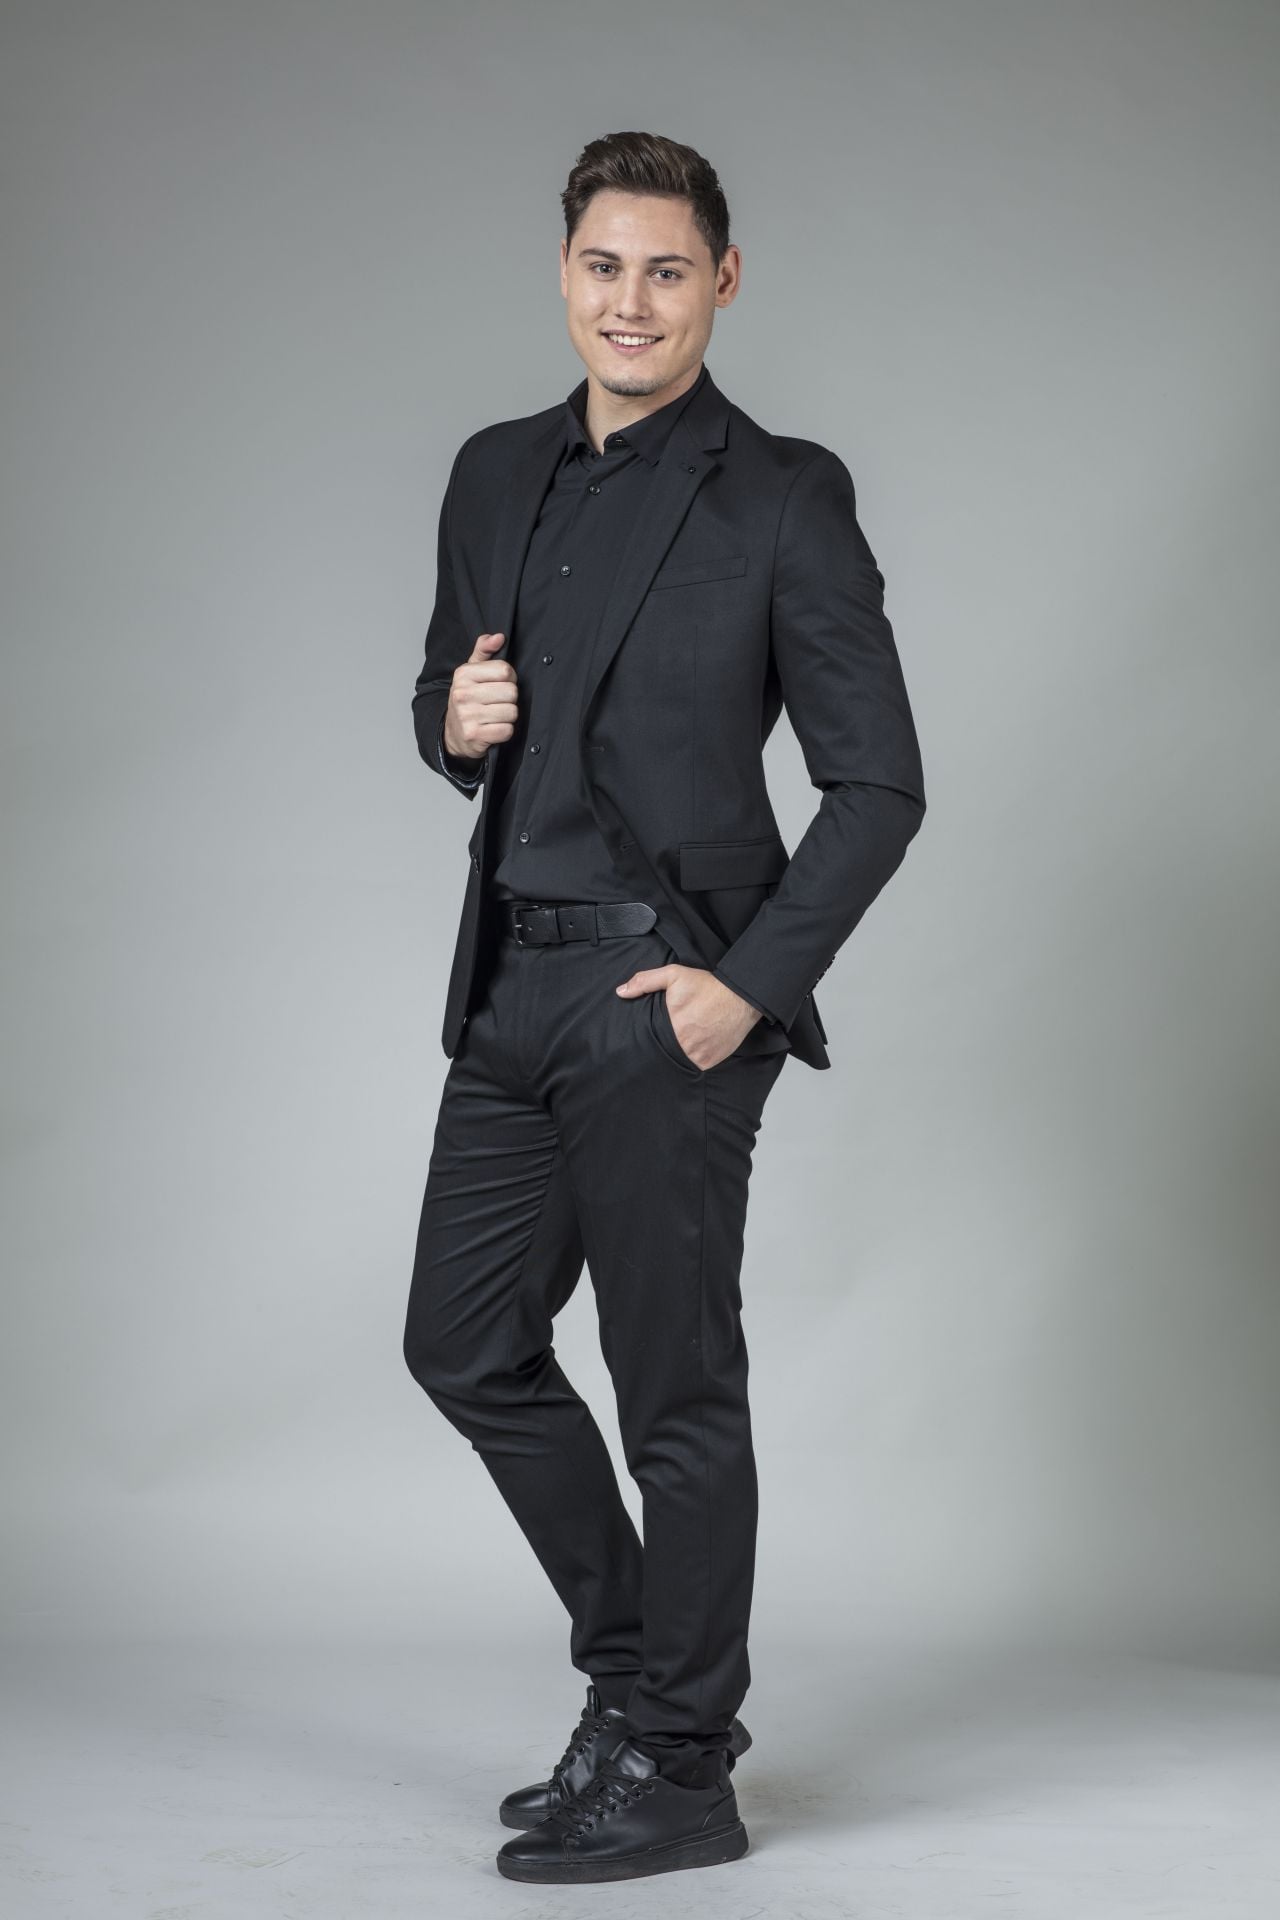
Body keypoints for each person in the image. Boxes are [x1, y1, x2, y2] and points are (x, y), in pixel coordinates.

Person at [402, 128, 926, 1885]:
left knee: (673, 1394)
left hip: (660, 997)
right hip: (508, 981)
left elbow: (879, 785)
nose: (631, 301)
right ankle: (638, 1689)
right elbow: (452, 690)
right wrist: (447, 721)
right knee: (464, 1345)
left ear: (723, 282)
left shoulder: (782, 494)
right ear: (564, 272)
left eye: (668, 270)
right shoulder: (493, 472)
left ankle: (683, 1767)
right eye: (603, 266)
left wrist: (742, 992)